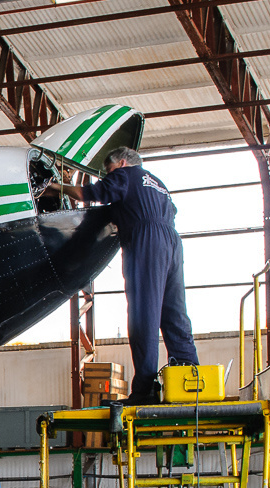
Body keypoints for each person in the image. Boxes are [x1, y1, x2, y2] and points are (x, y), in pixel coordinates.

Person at [47, 146, 198, 403]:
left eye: (109, 170)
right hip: (172, 243)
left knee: (144, 315)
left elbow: (94, 193)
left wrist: (57, 187)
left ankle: (144, 391)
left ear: (122, 163)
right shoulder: (158, 184)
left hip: (146, 241)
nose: (108, 175)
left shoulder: (126, 175)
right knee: (174, 313)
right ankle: (192, 381)